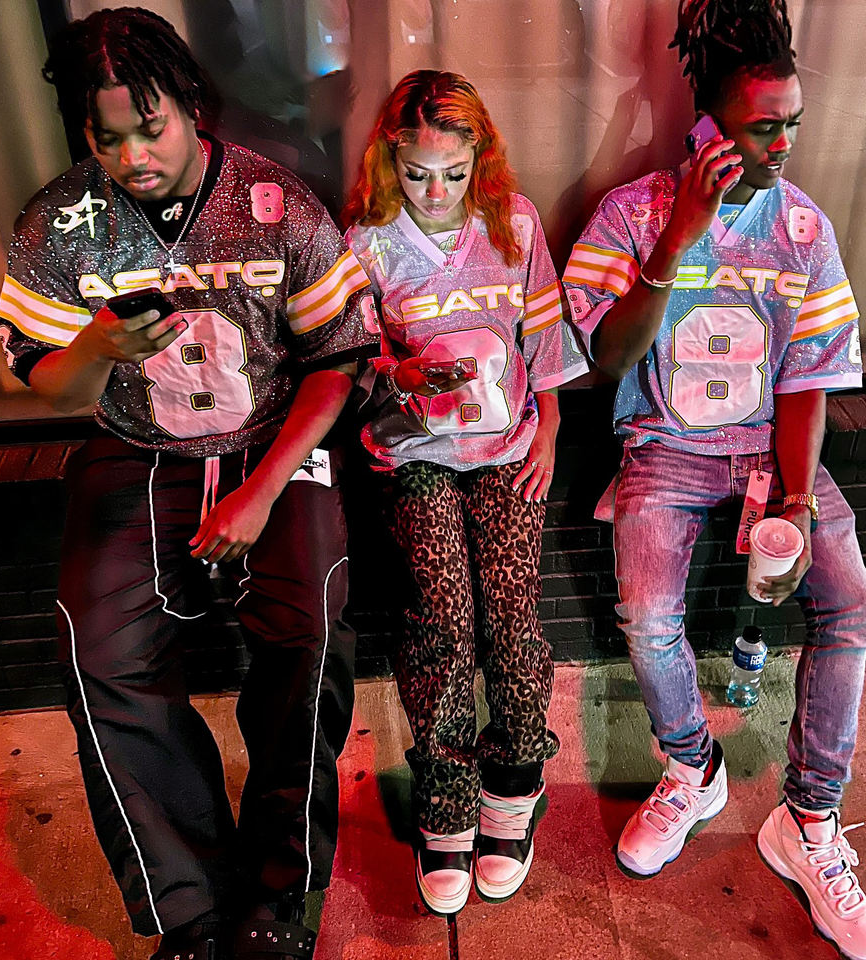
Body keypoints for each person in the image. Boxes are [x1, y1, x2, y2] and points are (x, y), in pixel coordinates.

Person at [0, 8, 377, 960]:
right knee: (100, 648)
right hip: (137, 444)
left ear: (192, 105)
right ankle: (192, 905)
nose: (133, 156)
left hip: (272, 439)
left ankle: (279, 893)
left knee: (310, 630)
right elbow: (43, 380)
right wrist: (97, 347)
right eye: (107, 137)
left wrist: (263, 491)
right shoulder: (59, 222)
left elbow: (339, 360)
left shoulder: (273, 202)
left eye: (150, 127)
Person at [562, 2, 866, 958]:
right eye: (762, 126)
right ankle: (691, 769)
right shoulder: (633, 214)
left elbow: (808, 378)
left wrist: (794, 495)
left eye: (793, 123)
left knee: (854, 605)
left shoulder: (804, 227)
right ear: (707, 125)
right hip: (665, 441)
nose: (783, 144)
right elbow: (607, 356)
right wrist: (680, 238)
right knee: (646, 611)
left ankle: (809, 821)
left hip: (769, 447)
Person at [343, 70, 588, 915]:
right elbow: (350, 356)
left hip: (508, 444)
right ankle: (444, 798)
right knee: (444, 620)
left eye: (454, 171)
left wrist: (550, 430)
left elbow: (544, 331)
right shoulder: (369, 241)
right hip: (416, 449)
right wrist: (399, 372)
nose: (437, 190)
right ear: (390, 159)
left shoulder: (512, 222)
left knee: (512, 618)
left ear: (480, 156)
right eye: (418, 173)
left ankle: (514, 783)